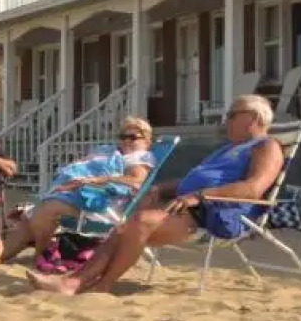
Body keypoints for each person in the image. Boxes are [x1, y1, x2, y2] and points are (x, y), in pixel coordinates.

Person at [29, 94, 284, 295]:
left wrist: (201, 195)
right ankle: (75, 281)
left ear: (252, 117)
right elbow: (188, 181)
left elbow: (253, 188)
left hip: (213, 212)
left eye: (231, 115)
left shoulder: (267, 146)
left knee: (139, 223)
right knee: (123, 227)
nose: (225, 120)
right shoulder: (227, 150)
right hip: (186, 206)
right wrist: (159, 188)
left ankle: (99, 285)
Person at [0, 116, 157, 263]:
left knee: (48, 209)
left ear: (147, 140)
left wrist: (99, 179)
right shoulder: (112, 152)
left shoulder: (140, 157)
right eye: (123, 137)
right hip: (81, 193)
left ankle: (42, 257)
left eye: (133, 137)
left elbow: (137, 182)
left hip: (103, 203)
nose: (127, 141)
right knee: (29, 218)